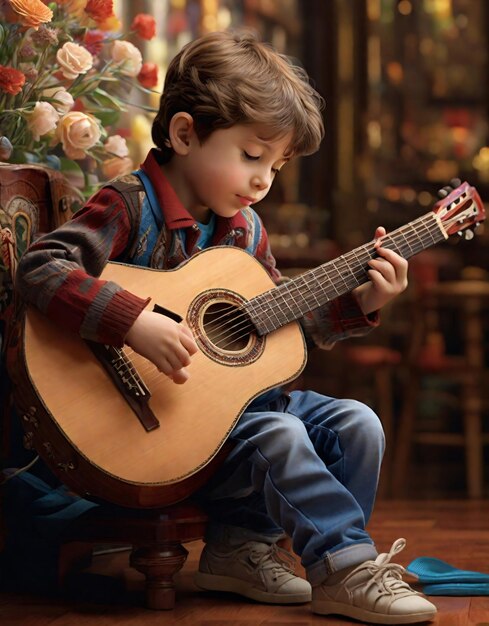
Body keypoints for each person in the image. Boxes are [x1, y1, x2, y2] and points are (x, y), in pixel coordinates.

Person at [14, 29, 436, 624]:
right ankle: (344, 569)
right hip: (160, 435)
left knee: (357, 422)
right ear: (186, 134)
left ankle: (244, 549)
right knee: (280, 436)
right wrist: (131, 321)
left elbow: (274, 329)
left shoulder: (247, 232)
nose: (265, 179)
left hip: (228, 424)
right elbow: (39, 267)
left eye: (277, 164)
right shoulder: (128, 205)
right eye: (252, 155)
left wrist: (361, 301)